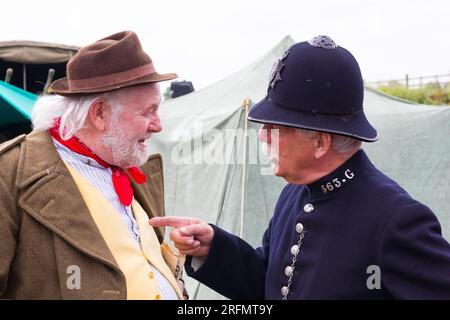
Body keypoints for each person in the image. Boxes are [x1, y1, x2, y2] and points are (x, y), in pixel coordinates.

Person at [149, 35, 450, 299]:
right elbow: (271, 283)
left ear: (319, 143)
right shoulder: (295, 193)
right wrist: (213, 248)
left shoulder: (395, 220)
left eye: (275, 127)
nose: (263, 135)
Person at [0, 31, 187, 300]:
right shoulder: (9, 173)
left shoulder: (128, 162)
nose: (158, 125)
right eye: (148, 111)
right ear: (99, 114)